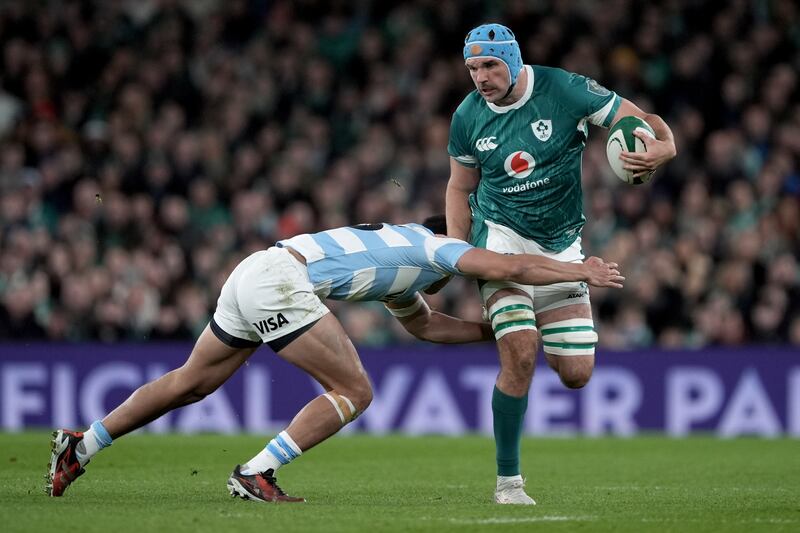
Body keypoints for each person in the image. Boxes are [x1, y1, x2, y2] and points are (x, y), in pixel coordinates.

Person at [47, 216, 624, 502]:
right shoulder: (438, 247)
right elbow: (509, 269)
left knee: (191, 382)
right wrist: (581, 272)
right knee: (356, 391)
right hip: (282, 279)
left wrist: (496, 331)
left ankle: (83, 443)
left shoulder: (407, 271)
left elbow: (426, 326)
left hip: (255, 268)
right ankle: (255, 473)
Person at [445, 23, 677, 505]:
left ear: (512, 60)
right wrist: (456, 249)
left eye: (490, 65)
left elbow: (637, 118)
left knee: (575, 374)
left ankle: (513, 321)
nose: (480, 77)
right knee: (522, 351)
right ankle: (508, 484)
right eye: (472, 67)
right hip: (500, 239)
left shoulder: (565, 89)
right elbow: (459, 187)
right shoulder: (467, 116)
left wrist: (666, 143)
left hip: (560, 244)